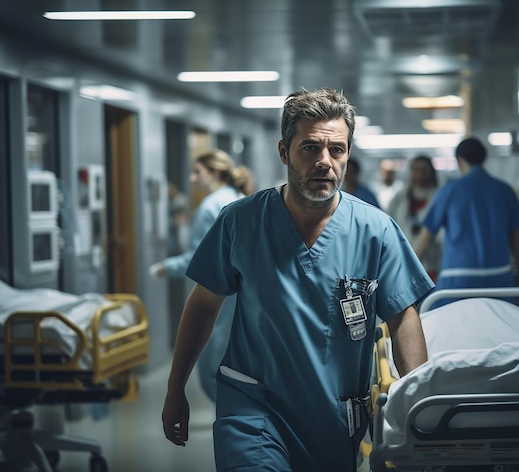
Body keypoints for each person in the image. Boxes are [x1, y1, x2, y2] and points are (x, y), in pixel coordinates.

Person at [161, 88, 434, 472]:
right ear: (283, 151)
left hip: (334, 419)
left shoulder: (376, 231)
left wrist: (422, 406)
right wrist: (175, 390)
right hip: (253, 409)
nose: (325, 161)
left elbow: (402, 317)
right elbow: (203, 305)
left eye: (336, 150)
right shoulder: (240, 222)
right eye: (310, 148)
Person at [152, 150, 250, 402]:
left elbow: (199, 258)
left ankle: (231, 423)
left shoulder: (211, 207)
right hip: (244, 292)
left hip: (220, 294)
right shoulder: (240, 200)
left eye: (198, 172)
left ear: (215, 172)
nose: (193, 179)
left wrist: (164, 268)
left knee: (211, 367)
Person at [413, 137, 519, 308]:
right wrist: (515, 262)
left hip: (456, 283)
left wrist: (408, 270)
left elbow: (426, 237)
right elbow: (517, 236)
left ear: (460, 160)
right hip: (499, 281)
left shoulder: (450, 190)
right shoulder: (504, 190)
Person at [386, 155, 441, 280]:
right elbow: (388, 227)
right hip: (403, 261)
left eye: (424, 171)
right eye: (416, 170)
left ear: (431, 173)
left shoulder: (439, 197)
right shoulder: (399, 198)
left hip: (432, 264)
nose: (420, 175)